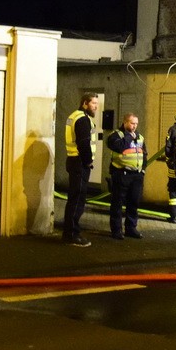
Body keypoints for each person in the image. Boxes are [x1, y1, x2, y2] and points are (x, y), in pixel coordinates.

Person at [63, 92, 99, 247]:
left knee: (74, 198)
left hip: (74, 161)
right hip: (79, 163)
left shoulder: (74, 116)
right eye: (93, 104)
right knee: (77, 199)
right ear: (85, 103)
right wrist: (89, 161)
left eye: (97, 104)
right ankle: (72, 234)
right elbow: (84, 143)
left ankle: (70, 232)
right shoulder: (82, 119)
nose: (96, 107)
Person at [106, 113, 146, 240]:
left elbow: (144, 154)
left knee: (134, 202)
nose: (134, 126)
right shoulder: (115, 136)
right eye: (132, 123)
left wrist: (143, 170)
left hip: (136, 175)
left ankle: (131, 228)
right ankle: (116, 230)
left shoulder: (140, 137)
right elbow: (120, 147)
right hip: (121, 173)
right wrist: (129, 137)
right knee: (117, 203)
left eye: (136, 124)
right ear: (125, 123)